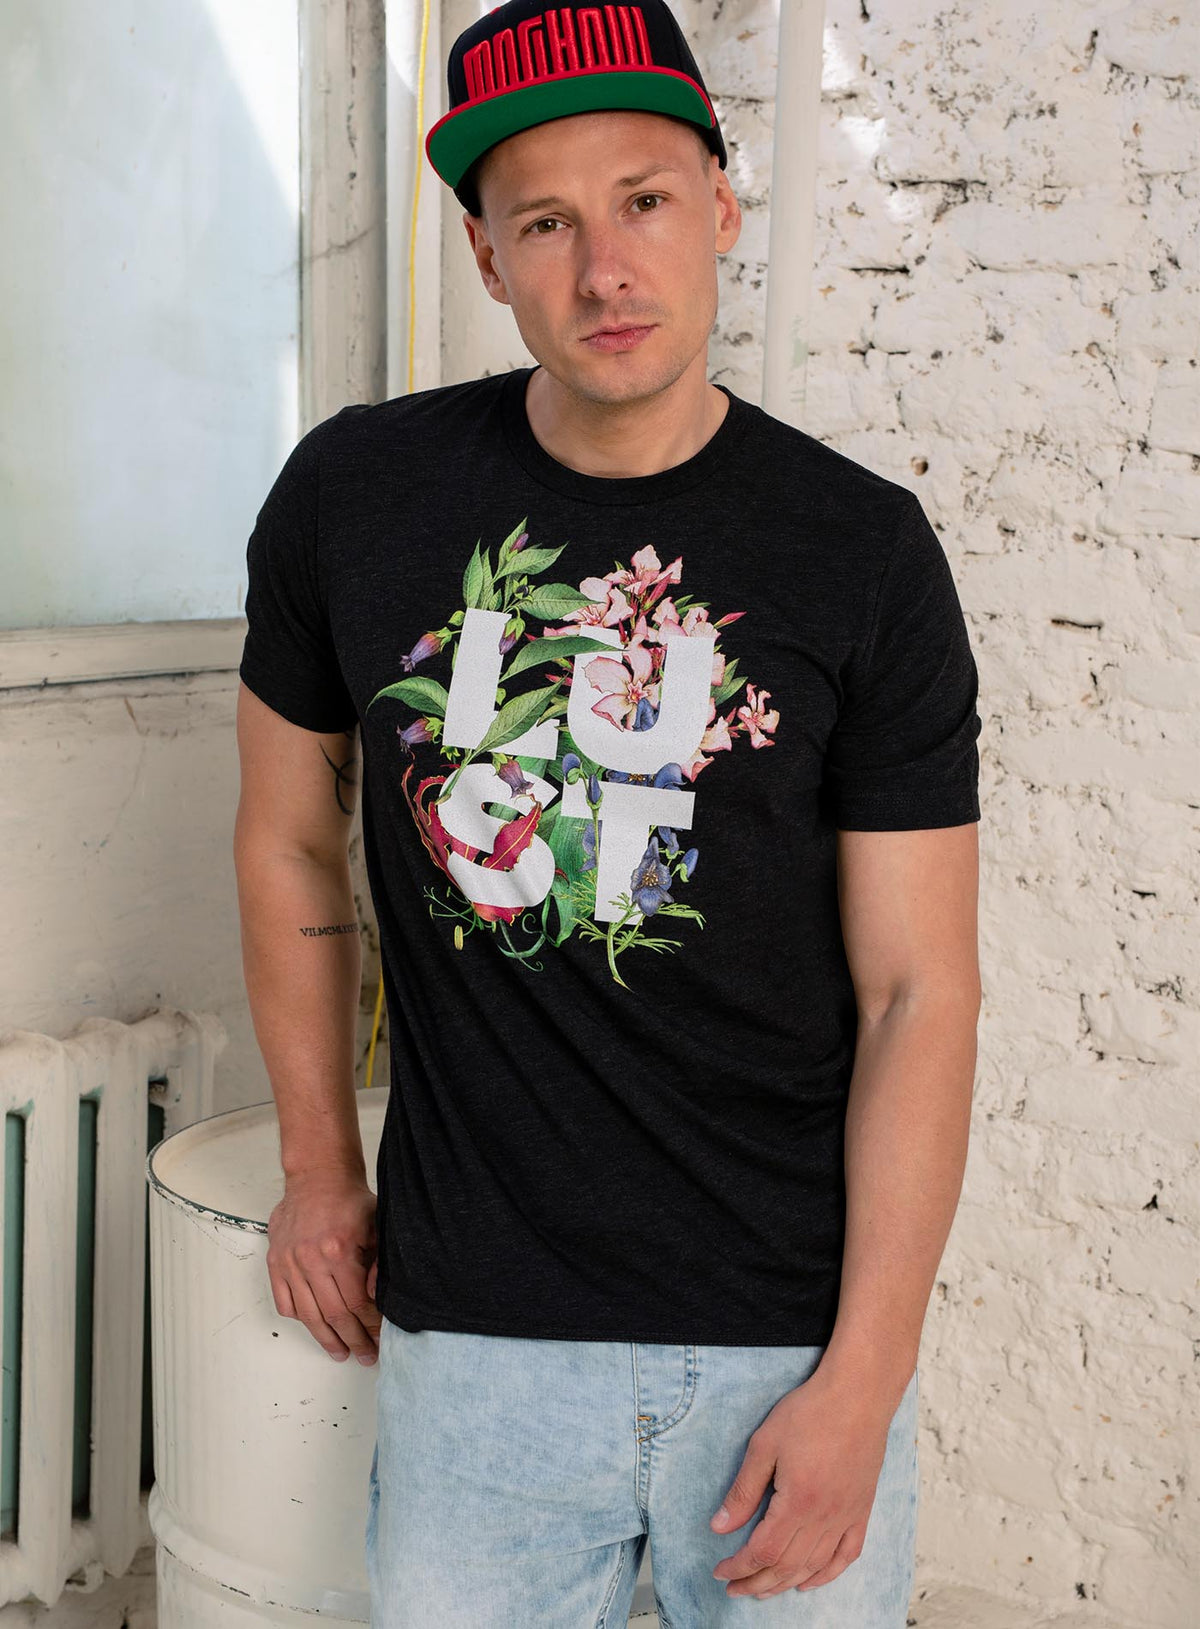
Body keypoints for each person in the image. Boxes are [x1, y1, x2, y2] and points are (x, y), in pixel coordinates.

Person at [233, 0, 983, 1621]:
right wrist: (316, 1166)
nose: (606, 269)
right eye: (547, 221)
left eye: (645, 200)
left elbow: (921, 988)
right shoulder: (355, 501)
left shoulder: (860, 551)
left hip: (790, 1332)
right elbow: (288, 831)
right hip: (479, 1336)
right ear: (485, 254)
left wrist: (864, 1378)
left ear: (722, 205)